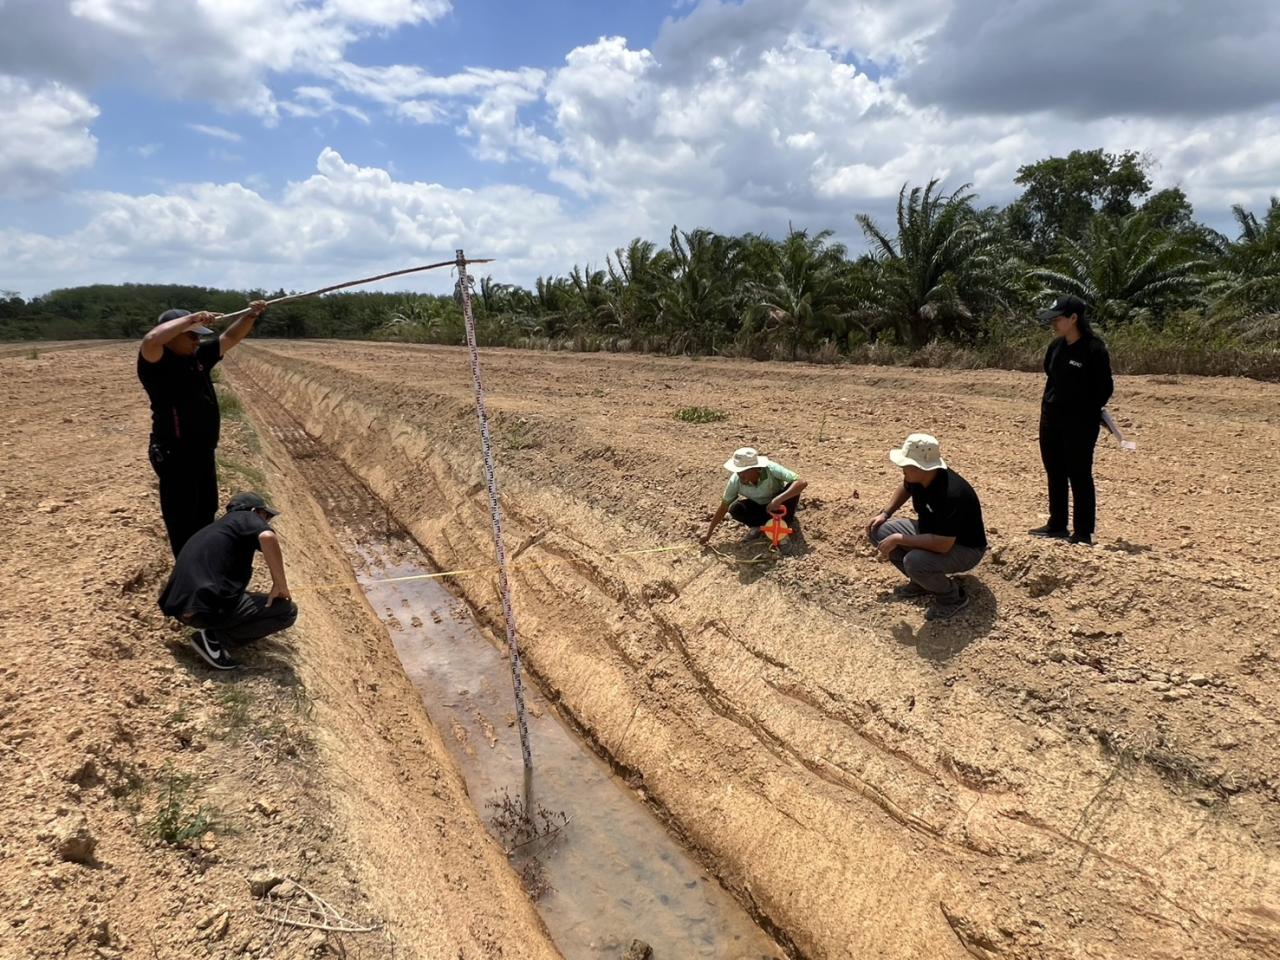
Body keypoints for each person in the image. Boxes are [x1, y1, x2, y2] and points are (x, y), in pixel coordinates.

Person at [138, 300, 267, 555]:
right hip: (176, 455)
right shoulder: (156, 361)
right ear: (172, 335)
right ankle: (187, 578)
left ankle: (203, 569)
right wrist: (191, 319)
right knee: (183, 521)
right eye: (192, 337)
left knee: (205, 513)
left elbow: (229, 337)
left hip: (203, 452)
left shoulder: (197, 357)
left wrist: (251, 315)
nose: (197, 342)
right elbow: (151, 339)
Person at [159, 492, 297, 671]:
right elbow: (268, 537)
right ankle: (215, 639)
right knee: (286, 610)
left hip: (184, 607)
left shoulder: (217, 529)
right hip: (205, 610)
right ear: (255, 511)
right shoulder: (245, 517)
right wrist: (280, 585)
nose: (267, 521)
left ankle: (211, 629)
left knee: (250, 597)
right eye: (266, 516)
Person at [867, 434, 987, 621]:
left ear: (922, 467)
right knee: (878, 531)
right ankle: (922, 583)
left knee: (915, 561)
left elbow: (943, 545)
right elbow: (906, 487)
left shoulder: (951, 493)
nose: (902, 469)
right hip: (930, 532)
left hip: (964, 548)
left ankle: (952, 598)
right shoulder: (919, 478)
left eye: (906, 466)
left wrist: (899, 538)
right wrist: (885, 513)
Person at [1029, 295, 1114, 545]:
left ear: (1074, 318)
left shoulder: (1094, 350)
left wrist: (1085, 411)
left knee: (1079, 474)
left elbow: (1104, 389)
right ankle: (1057, 524)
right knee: (1054, 470)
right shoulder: (1056, 347)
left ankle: (1083, 532)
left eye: (1058, 318)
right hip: (1051, 418)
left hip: (1080, 423)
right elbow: (1050, 375)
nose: (1054, 323)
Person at [701, 447, 807, 544]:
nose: (739, 475)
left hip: (780, 507)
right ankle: (759, 527)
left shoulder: (771, 469)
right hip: (761, 508)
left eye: (743, 471)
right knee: (736, 509)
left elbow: (801, 482)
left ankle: (783, 528)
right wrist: (708, 534)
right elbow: (724, 507)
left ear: (755, 468)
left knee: (792, 487)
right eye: (738, 471)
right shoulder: (736, 481)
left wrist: (778, 500)